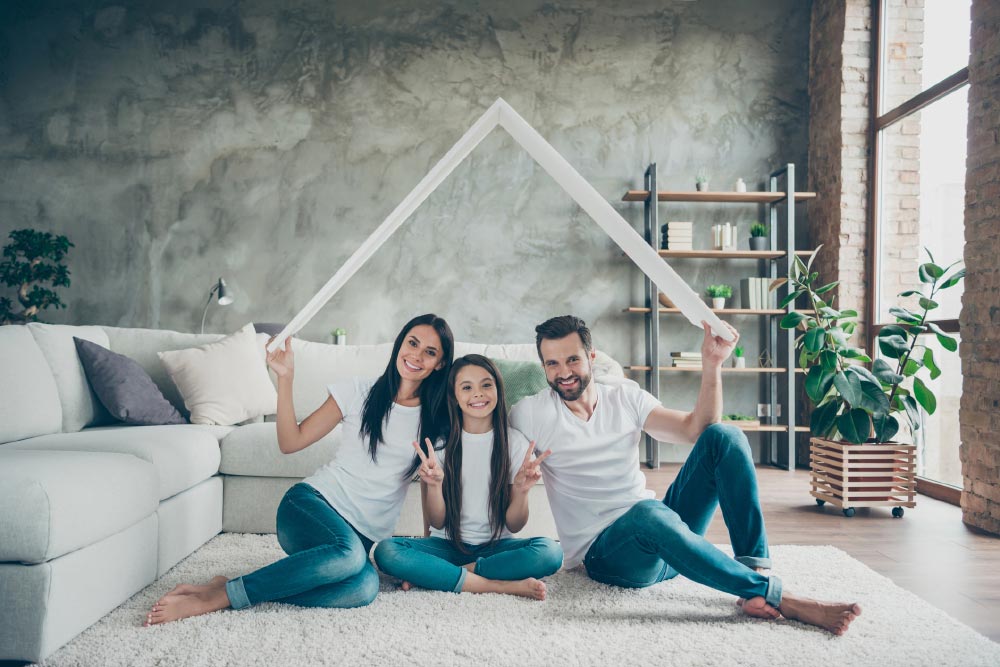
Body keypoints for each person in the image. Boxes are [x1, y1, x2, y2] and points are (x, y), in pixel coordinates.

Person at [510, 315, 862, 635]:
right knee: (648, 514)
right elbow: (488, 445)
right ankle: (783, 598)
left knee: (724, 437)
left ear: (592, 357)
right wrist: (518, 485)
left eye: (572, 359)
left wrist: (713, 365)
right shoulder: (530, 414)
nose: (563, 372)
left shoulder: (626, 398)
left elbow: (698, 429)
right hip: (608, 557)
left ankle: (754, 578)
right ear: (543, 367)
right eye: (552, 363)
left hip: (665, 540)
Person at [146, 314, 454, 625]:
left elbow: (433, 507)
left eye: (430, 352)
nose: (415, 355)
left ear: (440, 364)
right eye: (412, 343)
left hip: (358, 540)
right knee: (348, 556)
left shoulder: (436, 424)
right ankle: (221, 597)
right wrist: (286, 378)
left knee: (363, 588)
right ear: (400, 343)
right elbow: (290, 442)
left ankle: (229, 586)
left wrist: (435, 489)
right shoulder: (358, 391)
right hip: (310, 509)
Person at [374, 354, 563, 600]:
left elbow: (515, 524)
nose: (478, 393)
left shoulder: (514, 443)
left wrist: (522, 489)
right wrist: (434, 485)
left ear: (498, 389)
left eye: (486, 385)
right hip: (447, 546)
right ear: (453, 396)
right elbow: (438, 522)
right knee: (387, 551)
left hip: (497, 549)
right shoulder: (440, 447)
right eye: (467, 387)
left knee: (550, 553)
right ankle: (500, 586)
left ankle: (447, 576)